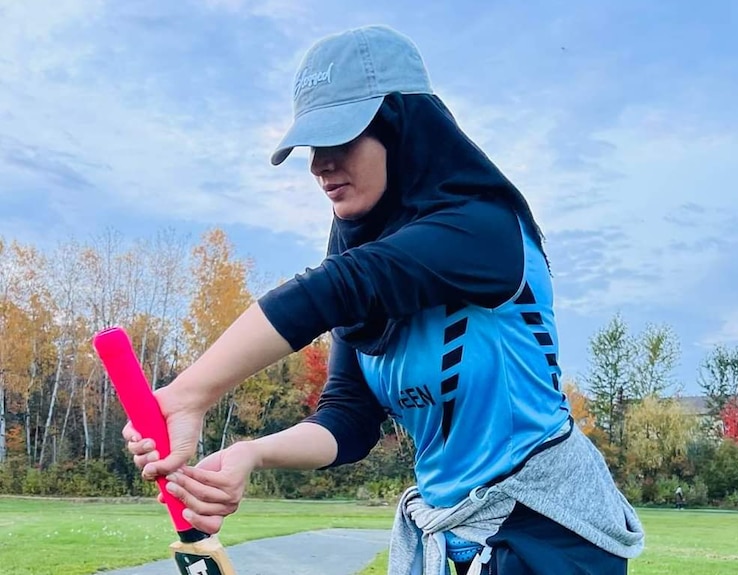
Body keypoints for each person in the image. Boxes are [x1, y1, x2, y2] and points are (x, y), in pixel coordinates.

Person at [124, 25, 644, 574]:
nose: (319, 164)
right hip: (451, 539)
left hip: (546, 534)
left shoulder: (484, 231)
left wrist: (189, 394)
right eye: (312, 147)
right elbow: (347, 419)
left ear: (402, 131)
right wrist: (251, 453)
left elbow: (339, 286)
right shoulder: (366, 275)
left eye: (341, 139)